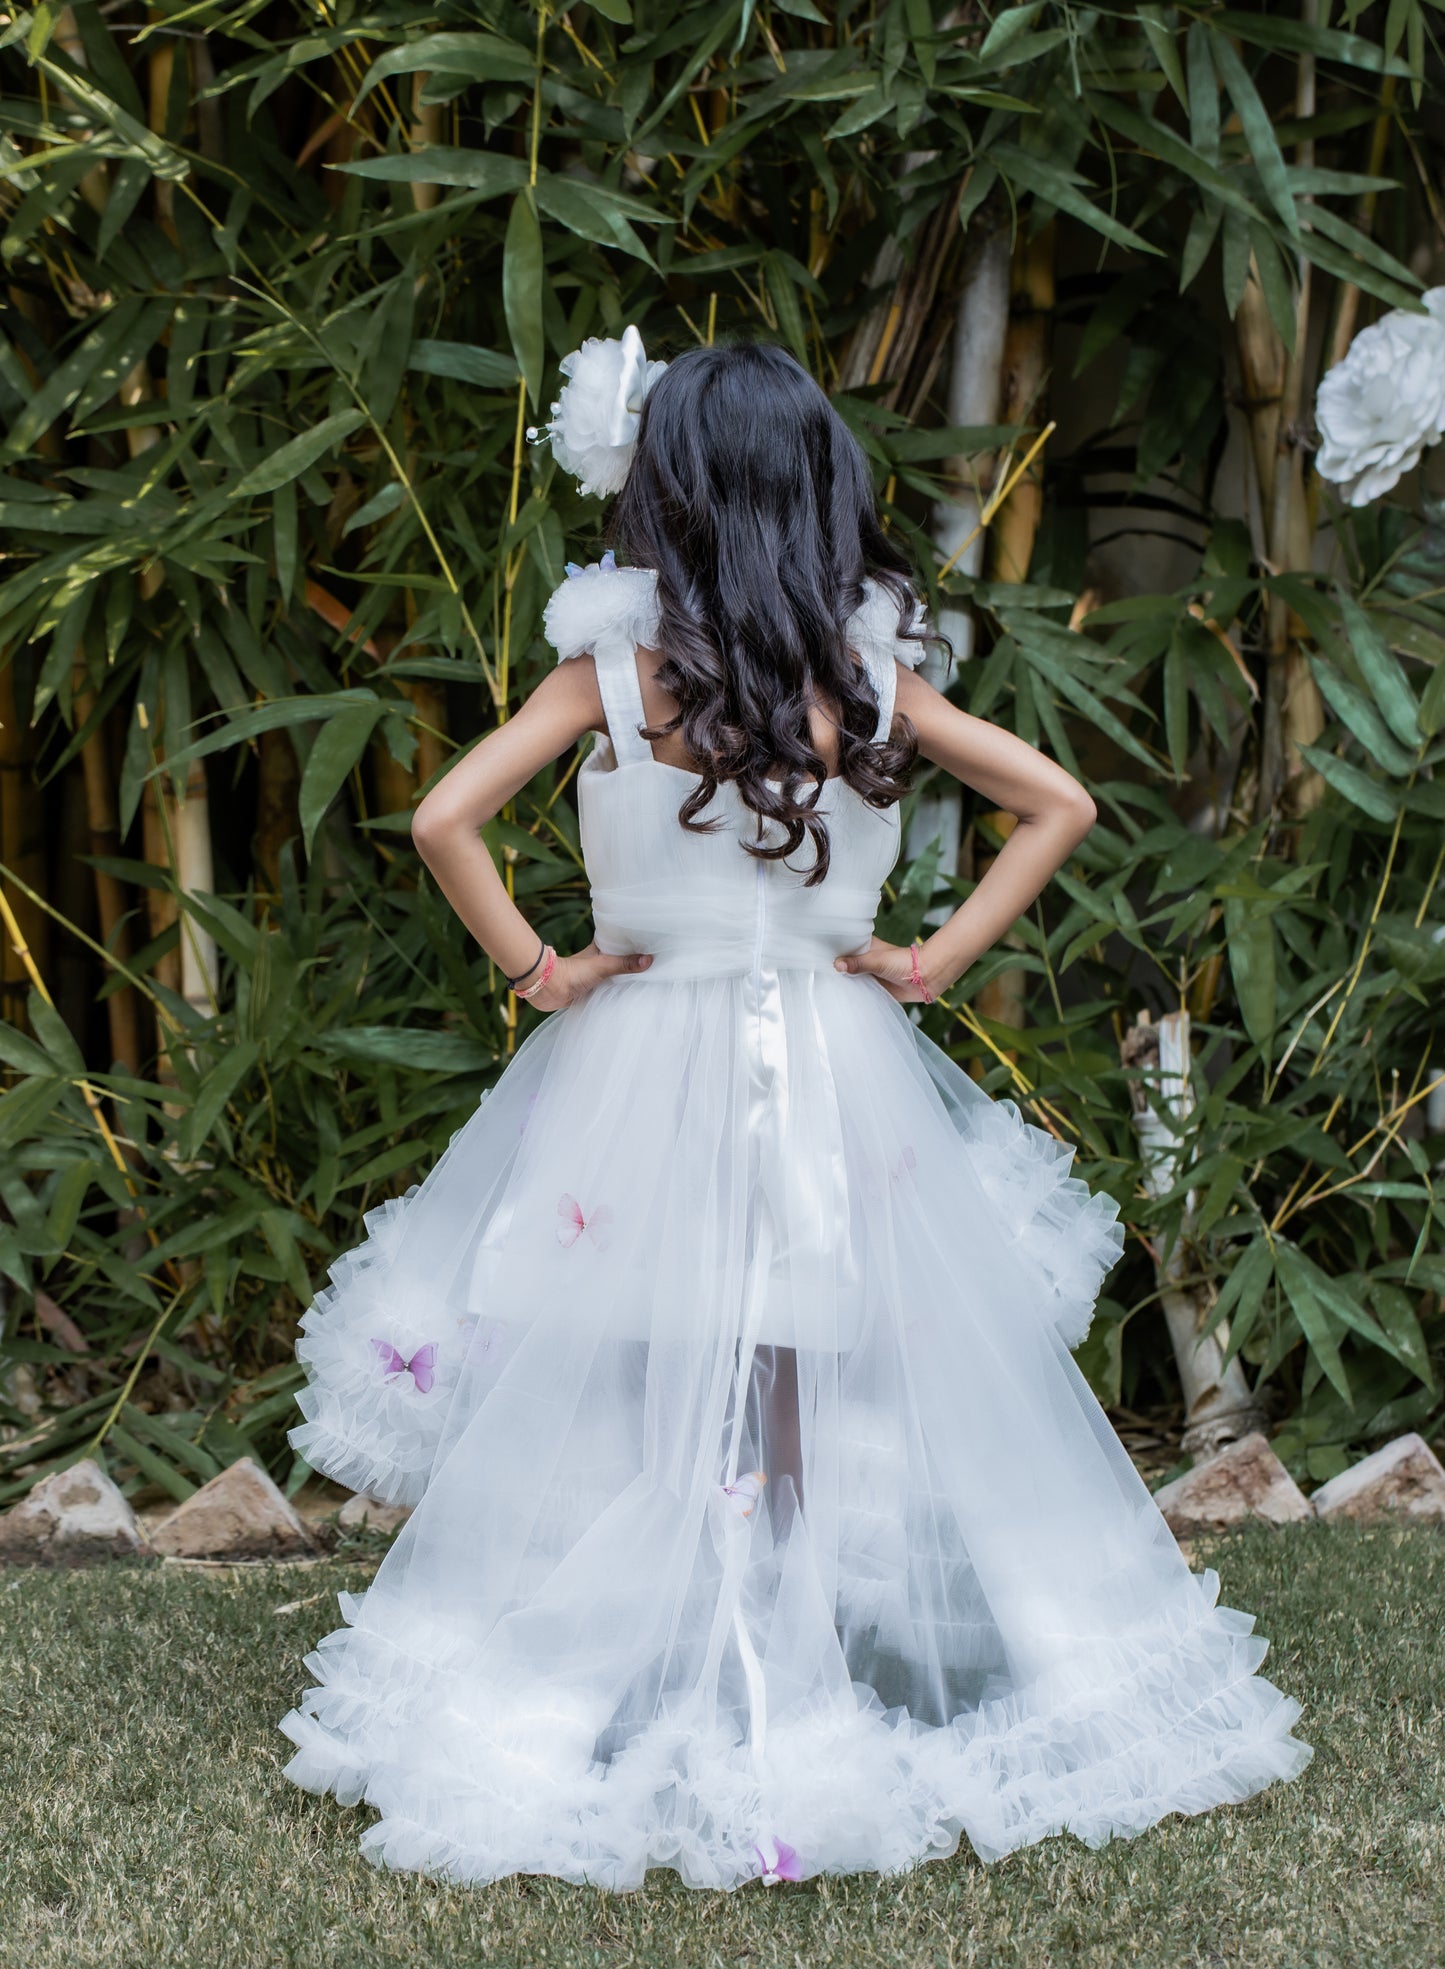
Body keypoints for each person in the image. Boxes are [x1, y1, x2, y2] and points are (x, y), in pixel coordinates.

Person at [279, 336, 1309, 1890]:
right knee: (788, 1371)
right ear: (822, 492)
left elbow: (442, 818)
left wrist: (544, 972)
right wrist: (929, 957)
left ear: (663, 492)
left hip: (636, 1059)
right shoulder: (865, 684)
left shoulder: (612, 680)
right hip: (833, 1060)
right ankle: (783, 1642)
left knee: (648, 1363)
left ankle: (660, 1652)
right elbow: (1064, 802)